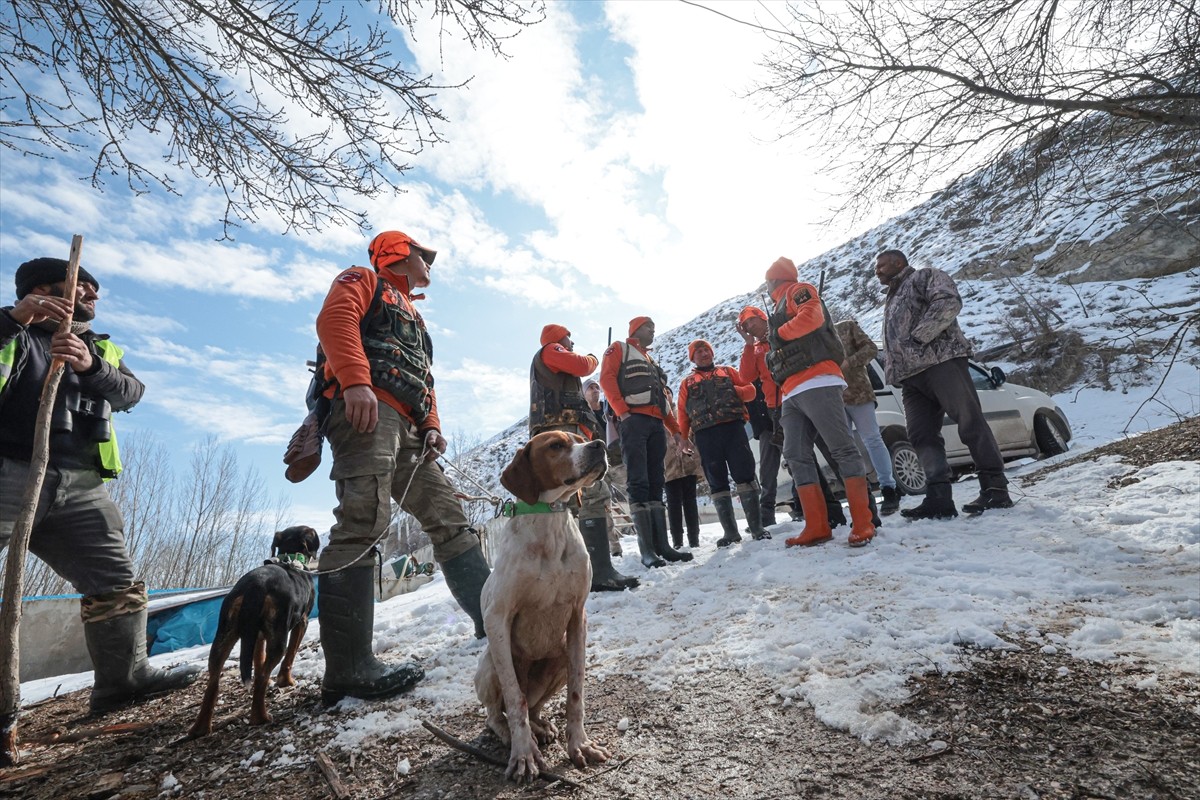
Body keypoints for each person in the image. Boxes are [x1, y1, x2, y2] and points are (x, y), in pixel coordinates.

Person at [0, 258, 200, 713]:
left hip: (80, 483)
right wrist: (13, 322)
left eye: (95, 288)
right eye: (81, 286)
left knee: (115, 582)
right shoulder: (12, 331)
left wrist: (90, 366)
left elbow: (132, 392)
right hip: (8, 471)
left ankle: (123, 682)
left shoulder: (100, 347)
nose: (93, 294)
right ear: (42, 291)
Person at [314, 229, 492, 705]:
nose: (428, 261)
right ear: (397, 253)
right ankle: (348, 670)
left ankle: (494, 620)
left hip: (410, 429)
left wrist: (432, 424)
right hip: (366, 412)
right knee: (360, 523)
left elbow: (425, 381)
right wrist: (355, 383)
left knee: (451, 521)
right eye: (421, 253)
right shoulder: (362, 280)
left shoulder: (415, 316)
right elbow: (334, 320)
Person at [875, 249, 1012, 517]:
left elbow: (948, 302)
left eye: (881, 266)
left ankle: (995, 489)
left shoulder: (926, 276)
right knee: (920, 434)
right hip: (911, 378)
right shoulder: (892, 297)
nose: (877, 271)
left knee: (969, 422)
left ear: (899, 262)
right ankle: (939, 498)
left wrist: (918, 339)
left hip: (942, 363)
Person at [763, 256, 876, 548]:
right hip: (791, 389)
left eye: (767, 280)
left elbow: (812, 317)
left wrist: (781, 333)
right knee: (796, 454)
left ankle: (863, 522)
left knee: (841, 448)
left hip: (817, 380)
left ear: (774, 278)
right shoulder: (776, 305)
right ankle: (817, 526)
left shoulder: (798, 289)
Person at [529, 325, 637, 592]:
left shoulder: (550, 361)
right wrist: (594, 358)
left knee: (571, 500)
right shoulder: (551, 351)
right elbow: (582, 365)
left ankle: (576, 572)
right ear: (558, 338)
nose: (572, 341)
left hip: (565, 434)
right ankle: (599, 572)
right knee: (592, 492)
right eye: (568, 337)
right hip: (564, 435)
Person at [599, 316, 693, 567]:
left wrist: (675, 431)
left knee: (656, 481)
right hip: (633, 422)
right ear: (635, 329)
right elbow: (606, 379)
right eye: (648, 327)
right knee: (638, 480)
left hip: (655, 425)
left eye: (653, 327)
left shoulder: (649, 360)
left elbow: (662, 400)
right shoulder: (618, 349)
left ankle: (662, 546)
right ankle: (647, 551)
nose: (653, 330)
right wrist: (623, 412)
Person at [677, 339, 768, 546]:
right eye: (698, 351)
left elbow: (751, 391)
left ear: (712, 353)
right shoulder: (686, 383)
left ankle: (757, 528)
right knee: (716, 482)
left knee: (745, 474)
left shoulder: (728, 372)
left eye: (706, 350)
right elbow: (682, 412)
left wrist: (735, 391)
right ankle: (730, 533)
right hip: (705, 436)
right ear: (693, 358)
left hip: (733, 429)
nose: (703, 353)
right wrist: (683, 439)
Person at [835, 318, 901, 516]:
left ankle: (889, 488)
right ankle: (861, 494)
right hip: (833, 400)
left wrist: (849, 362)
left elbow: (871, 349)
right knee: (845, 448)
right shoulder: (810, 338)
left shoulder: (846, 327)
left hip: (859, 392)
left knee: (872, 439)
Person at [736, 306, 783, 526]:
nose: (750, 327)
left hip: (789, 406)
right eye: (745, 325)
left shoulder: (781, 334)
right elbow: (745, 377)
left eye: (752, 322)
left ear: (763, 318)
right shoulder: (753, 350)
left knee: (799, 458)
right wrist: (747, 345)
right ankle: (767, 513)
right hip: (766, 418)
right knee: (767, 467)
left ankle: (815, 505)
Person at [584, 378, 625, 558]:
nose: (595, 390)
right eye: (590, 388)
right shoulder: (583, 416)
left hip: (619, 461)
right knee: (604, 507)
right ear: (583, 393)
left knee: (638, 495)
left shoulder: (610, 408)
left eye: (596, 387)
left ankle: (650, 539)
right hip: (599, 468)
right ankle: (615, 548)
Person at [663, 387, 705, 549]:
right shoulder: (657, 418)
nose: (666, 395)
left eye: (668, 393)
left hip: (689, 466)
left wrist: (697, 459)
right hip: (669, 468)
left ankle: (694, 539)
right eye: (663, 393)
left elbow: (694, 436)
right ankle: (677, 541)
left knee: (690, 502)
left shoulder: (683, 413)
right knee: (673, 505)